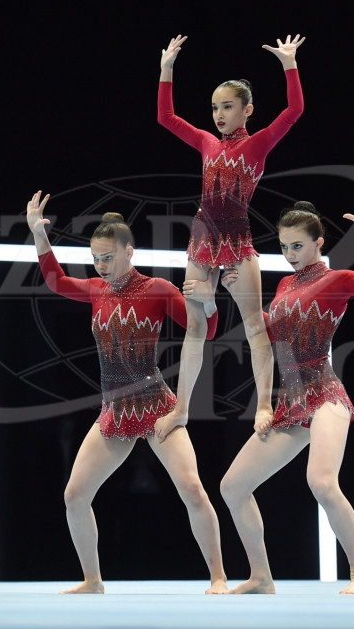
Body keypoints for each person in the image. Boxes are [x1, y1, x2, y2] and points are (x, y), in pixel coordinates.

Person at [25, 190, 229, 594]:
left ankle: (219, 577)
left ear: (128, 252)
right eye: (95, 258)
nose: (100, 265)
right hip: (114, 412)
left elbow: (204, 333)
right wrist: (39, 235)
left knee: (191, 487)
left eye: (107, 257)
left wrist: (209, 305)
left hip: (156, 407)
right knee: (75, 495)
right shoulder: (96, 291)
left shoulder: (156, 289)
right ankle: (92, 581)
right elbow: (56, 280)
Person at [209, 185, 354, 594]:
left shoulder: (337, 280)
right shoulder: (283, 287)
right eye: (284, 247)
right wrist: (239, 296)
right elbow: (270, 331)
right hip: (292, 402)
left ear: (318, 242)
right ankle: (261, 576)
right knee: (232, 486)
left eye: (298, 245)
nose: (291, 253)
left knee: (322, 483)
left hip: (325, 394)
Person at [155, 33, 305, 444]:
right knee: (196, 328)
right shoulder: (206, 142)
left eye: (227, 107)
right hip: (203, 239)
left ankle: (263, 405)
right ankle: (182, 409)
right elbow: (166, 119)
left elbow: (295, 110)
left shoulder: (257, 145)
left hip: (237, 243)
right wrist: (167, 68)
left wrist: (289, 64)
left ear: (247, 110)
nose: (219, 114)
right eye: (215, 108)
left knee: (256, 325)